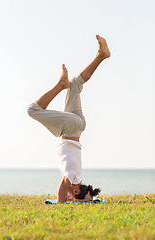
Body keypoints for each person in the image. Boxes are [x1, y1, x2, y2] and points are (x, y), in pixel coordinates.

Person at [27, 35, 111, 203]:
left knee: (75, 84)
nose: (68, 196)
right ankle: (60, 86)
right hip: (71, 127)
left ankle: (101, 56)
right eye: (71, 195)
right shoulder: (72, 177)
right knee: (32, 110)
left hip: (78, 125)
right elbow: (63, 188)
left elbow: (69, 188)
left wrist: (85, 198)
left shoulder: (76, 174)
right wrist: (61, 203)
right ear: (75, 190)